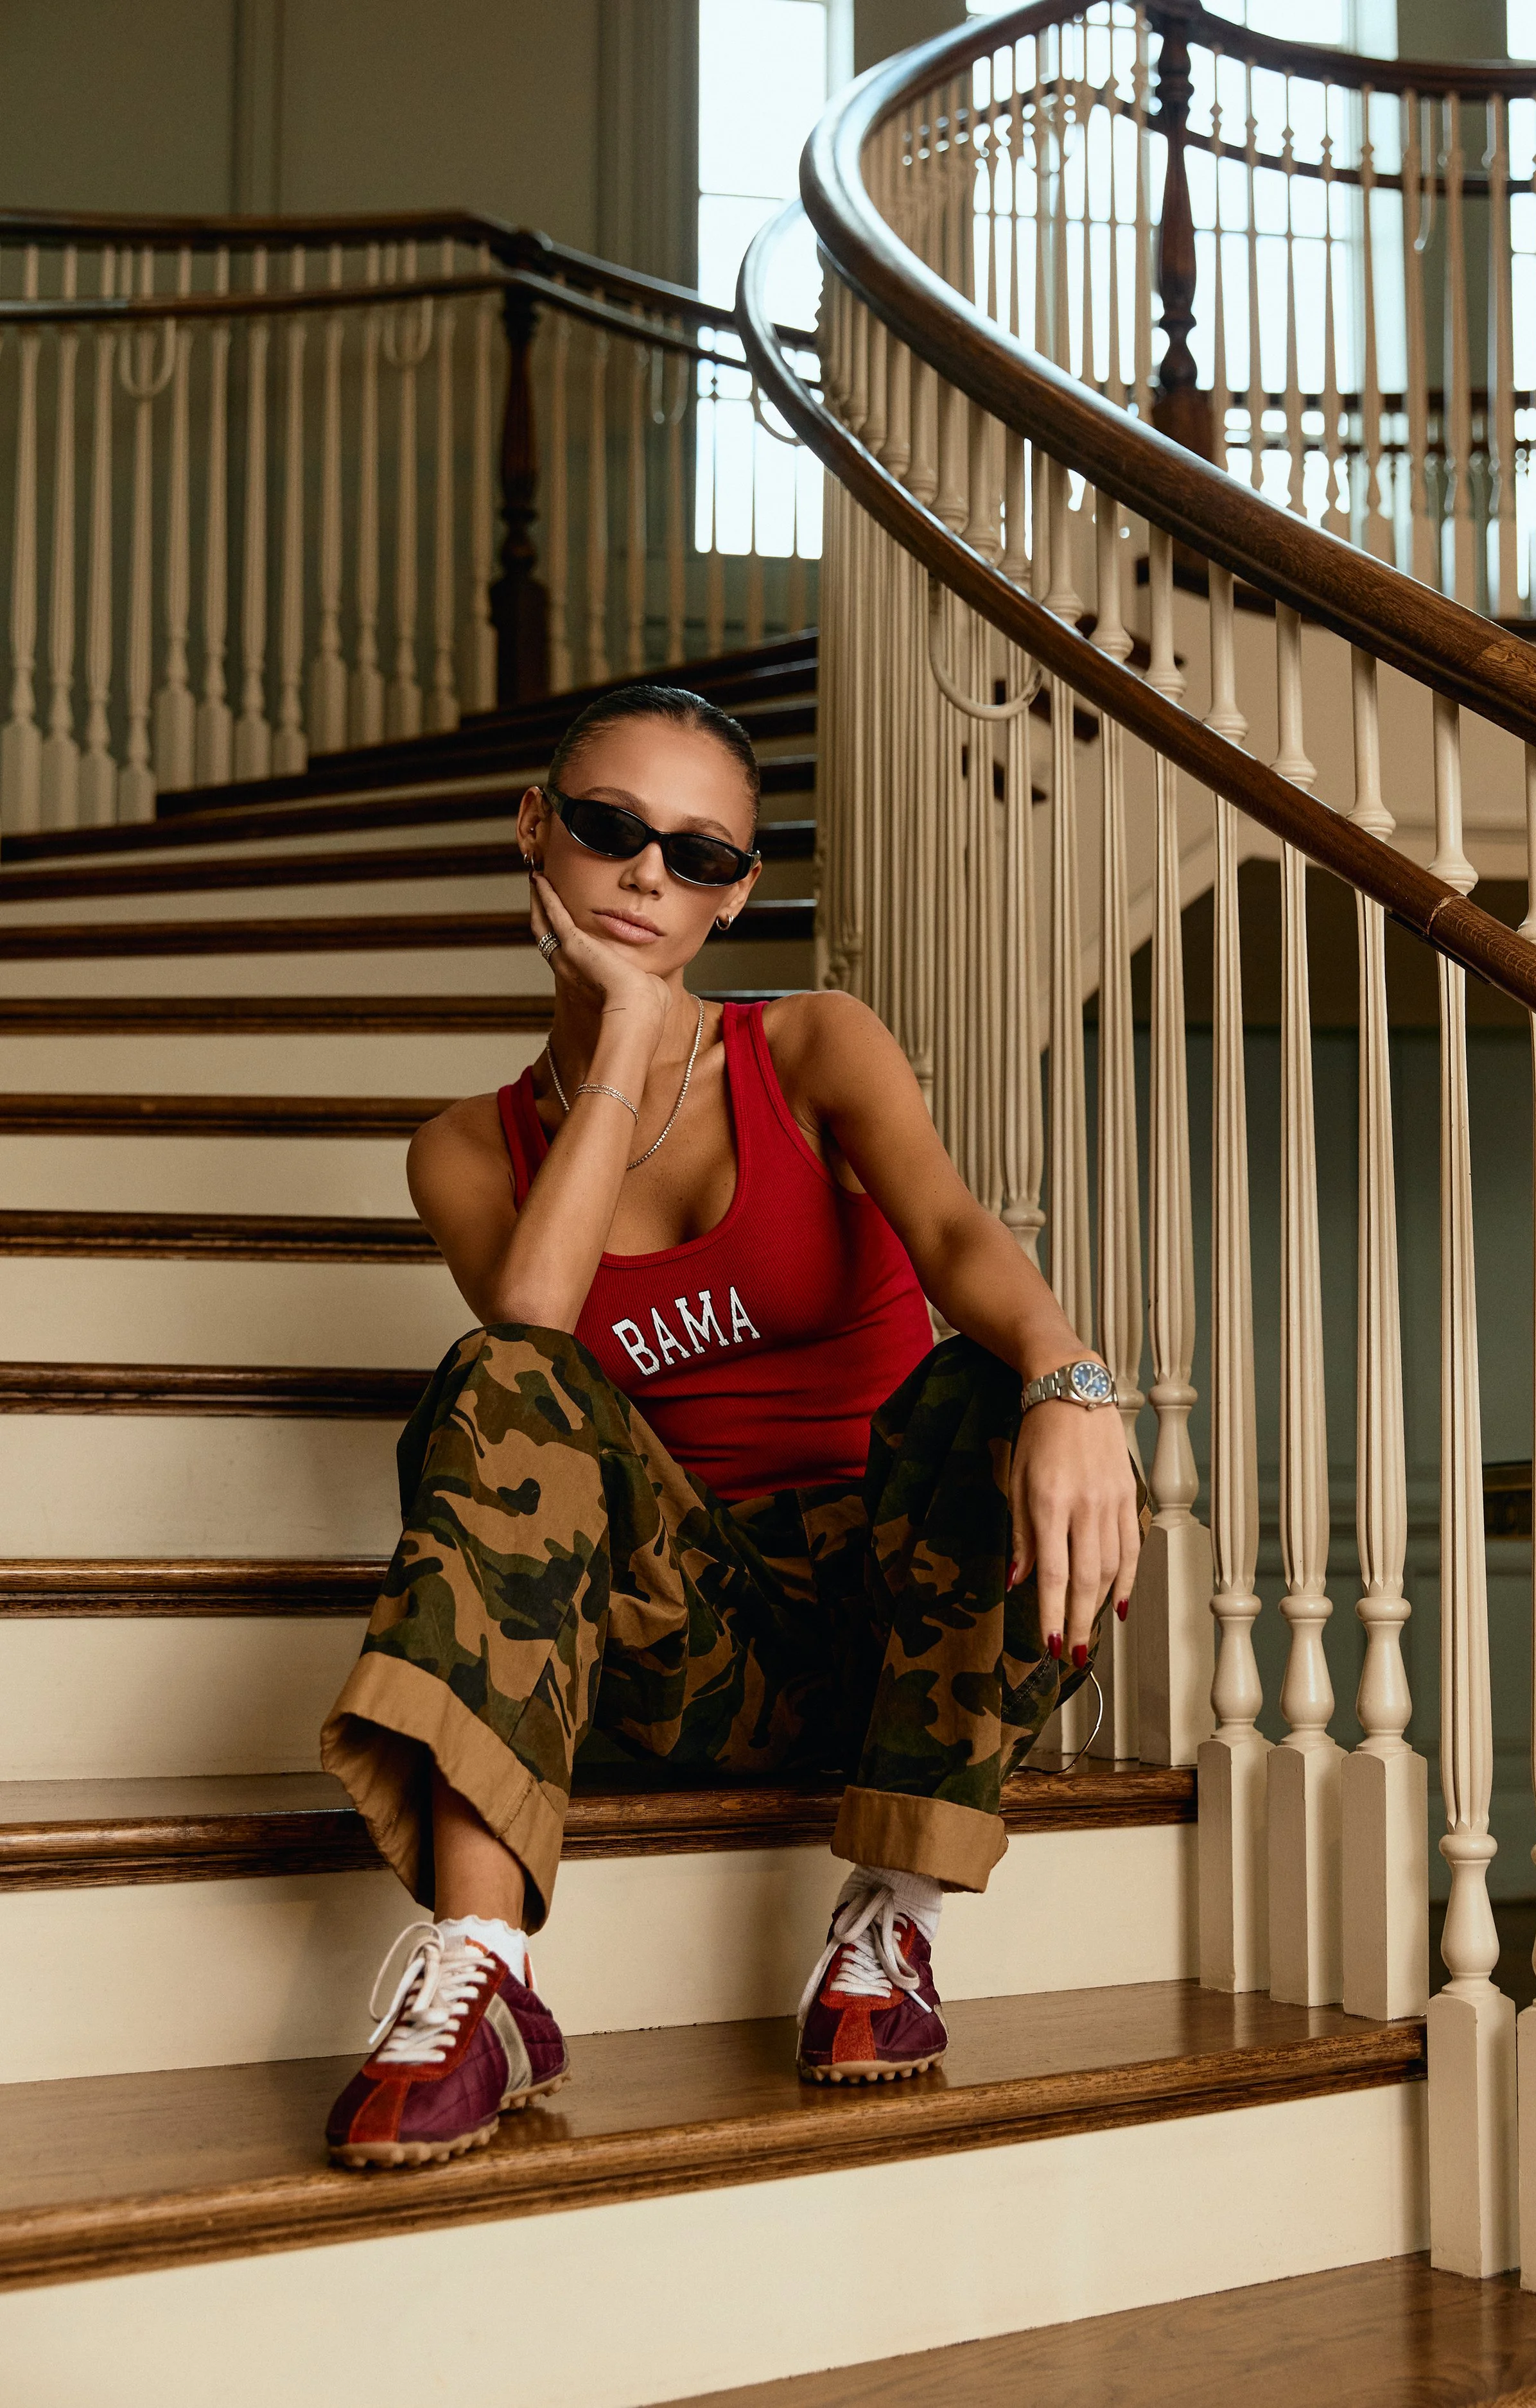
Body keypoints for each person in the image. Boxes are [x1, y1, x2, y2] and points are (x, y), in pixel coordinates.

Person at [320, 681, 1144, 2171]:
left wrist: (1069, 1378)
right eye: (610, 828)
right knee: (492, 1378)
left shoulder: (812, 1047)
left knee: (992, 1380)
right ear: (535, 827)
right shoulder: (461, 1152)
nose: (649, 875)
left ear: (736, 891)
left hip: (903, 1628)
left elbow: (956, 1237)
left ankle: (890, 1920)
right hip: (684, 1648)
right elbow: (534, 1337)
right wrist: (626, 1038)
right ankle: (484, 1971)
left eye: (697, 855)